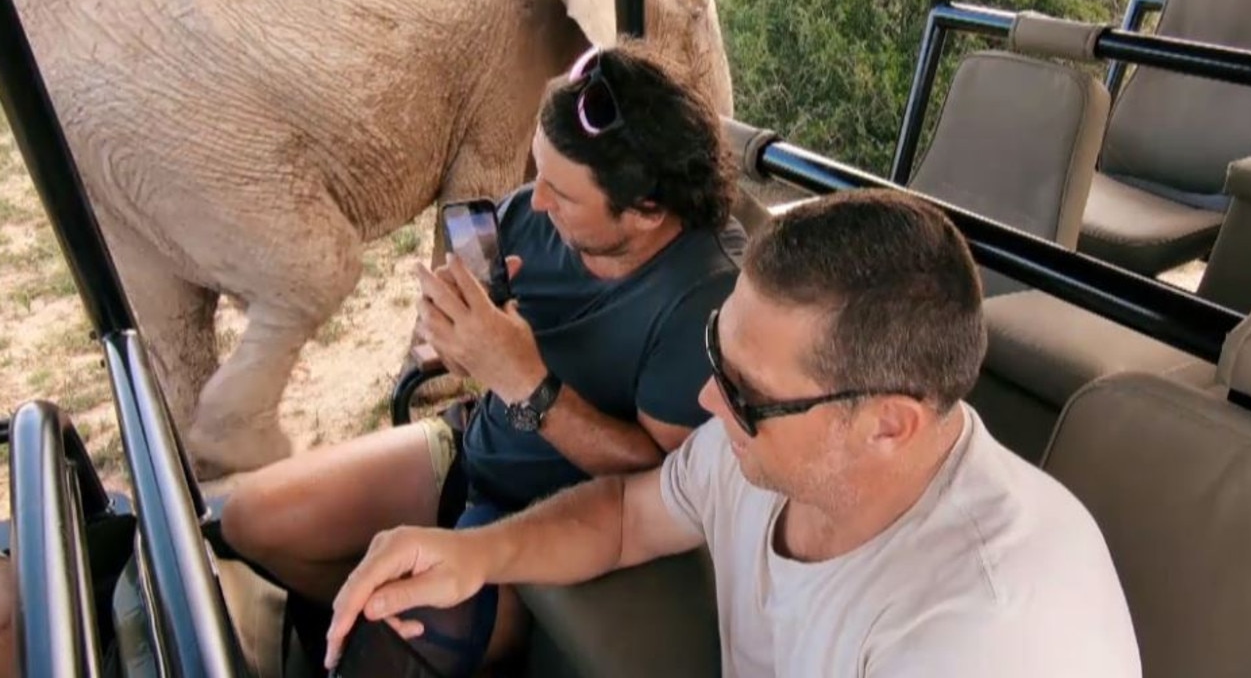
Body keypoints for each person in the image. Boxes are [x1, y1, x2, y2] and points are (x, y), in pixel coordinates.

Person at [324, 189, 1143, 677]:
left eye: (748, 393)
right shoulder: (782, 447)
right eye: (718, 346)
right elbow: (624, 518)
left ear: (889, 425)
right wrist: (473, 556)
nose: (710, 400)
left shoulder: (986, 635)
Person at [219, 40, 745, 674]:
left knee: (383, 638)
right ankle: (372, 629)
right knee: (252, 520)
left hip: (554, 521)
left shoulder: (705, 296)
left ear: (646, 211)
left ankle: (414, 638)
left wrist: (526, 381)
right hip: (472, 446)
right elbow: (479, 346)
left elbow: (663, 478)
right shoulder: (534, 214)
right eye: (538, 171)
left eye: (563, 193)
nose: (537, 201)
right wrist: (456, 334)